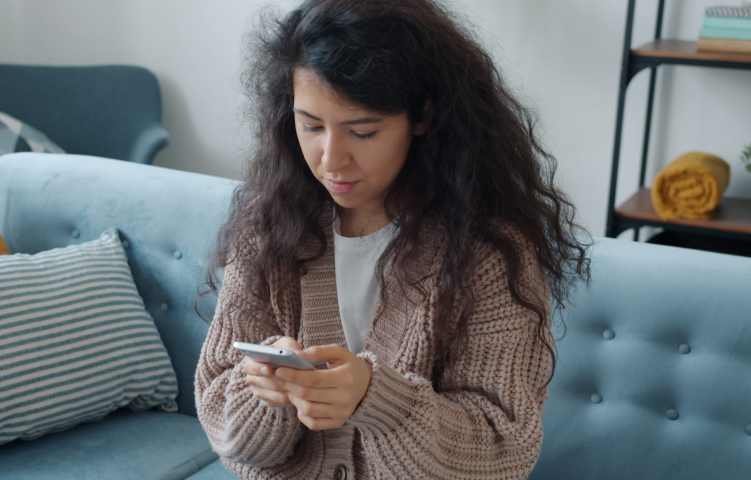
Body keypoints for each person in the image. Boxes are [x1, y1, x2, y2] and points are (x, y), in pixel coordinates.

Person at [195, 0, 590, 478]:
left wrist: (375, 399)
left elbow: (502, 451)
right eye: (311, 126)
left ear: (422, 116)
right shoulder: (269, 227)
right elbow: (223, 425)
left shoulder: (487, 252)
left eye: (362, 131)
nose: (331, 159)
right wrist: (262, 392)